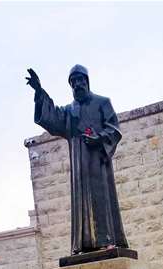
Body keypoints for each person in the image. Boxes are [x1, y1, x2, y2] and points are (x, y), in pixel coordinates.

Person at [26, 65, 129, 255]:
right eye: (73, 82)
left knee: (101, 199)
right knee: (80, 202)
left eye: (80, 80)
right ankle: (82, 245)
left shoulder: (102, 103)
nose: (77, 84)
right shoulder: (68, 111)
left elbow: (114, 129)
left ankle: (108, 240)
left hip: (98, 162)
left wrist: (99, 138)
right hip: (79, 163)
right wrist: (39, 92)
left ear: (87, 81)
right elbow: (52, 117)